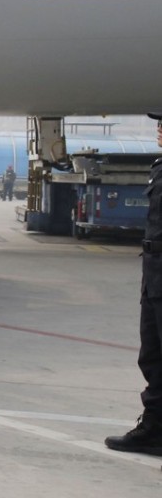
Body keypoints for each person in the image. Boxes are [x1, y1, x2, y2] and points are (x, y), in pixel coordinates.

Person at [105, 112, 162, 456]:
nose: (159, 128)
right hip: (154, 270)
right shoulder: (159, 165)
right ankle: (154, 428)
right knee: (152, 355)